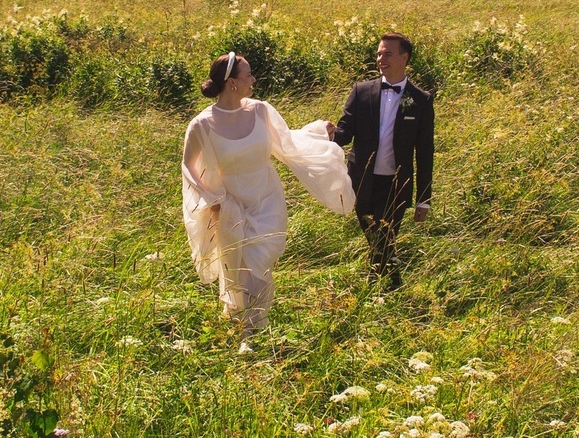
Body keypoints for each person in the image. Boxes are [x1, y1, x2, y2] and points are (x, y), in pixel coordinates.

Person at [182, 51, 354, 333]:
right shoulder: (202, 124)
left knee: (260, 258)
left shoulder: (261, 110)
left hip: (267, 197)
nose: (253, 80)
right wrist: (211, 199)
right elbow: (188, 165)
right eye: (248, 75)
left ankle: (252, 324)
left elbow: (288, 142)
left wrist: (318, 131)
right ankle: (245, 327)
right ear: (232, 82)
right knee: (237, 263)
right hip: (231, 202)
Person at [327, 32, 434, 288]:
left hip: (396, 184)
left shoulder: (421, 100)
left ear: (404, 58)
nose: (380, 59)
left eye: (387, 54)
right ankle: (389, 284)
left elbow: (425, 152)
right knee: (375, 236)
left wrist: (424, 199)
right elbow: (345, 132)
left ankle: (382, 285)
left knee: (384, 236)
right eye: (378, 54)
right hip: (361, 180)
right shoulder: (361, 91)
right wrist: (326, 135)